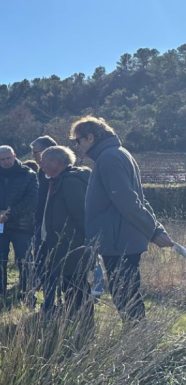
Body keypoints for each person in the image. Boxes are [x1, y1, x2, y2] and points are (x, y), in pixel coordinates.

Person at [73, 116, 174, 322]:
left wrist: (153, 231)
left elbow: (128, 200)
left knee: (125, 295)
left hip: (119, 241)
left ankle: (138, 339)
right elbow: (138, 198)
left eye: (78, 140)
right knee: (125, 293)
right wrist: (155, 227)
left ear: (91, 137)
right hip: (121, 238)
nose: (77, 146)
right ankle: (137, 337)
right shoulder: (117, 154)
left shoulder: (109, 158)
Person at [35, 146, 93, 318]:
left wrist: (87, 242)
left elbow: (80, 213)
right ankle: (73, 319)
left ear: (56, 162)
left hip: (72, 245)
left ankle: (83, 323)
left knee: (76, 285)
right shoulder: (57, 180)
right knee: (70, 285)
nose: (42, 166)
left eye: (44, 163)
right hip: (60, 244)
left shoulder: (70, 182)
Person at [0, 145, 38, 298]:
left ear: (15, 155)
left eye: (8, 158)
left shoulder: (29, 175)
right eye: (2, 159)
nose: (6, 162)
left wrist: (9, 214)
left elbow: (31, 200)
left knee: (25, 260)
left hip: (22, 225)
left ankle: (28, 292)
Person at [29, 136, 58, 295]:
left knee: (53, 264)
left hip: (54, 226)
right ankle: (47, 300)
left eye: (36, 153)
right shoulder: (41, 171)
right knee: (41, 262)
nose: (34, 157)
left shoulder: (60, 173)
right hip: (41, 224)